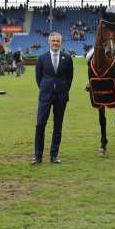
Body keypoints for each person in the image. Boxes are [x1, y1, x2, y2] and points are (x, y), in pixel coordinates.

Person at [32, 32, 74, 165]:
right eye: (53, 41)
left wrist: (62, 89)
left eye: (58, 41)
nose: (55, 43)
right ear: (49, 42)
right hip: (45, 95)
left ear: (61, 42)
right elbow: (39, 78)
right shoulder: (42, 58)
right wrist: (46, 88)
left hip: (61, 96)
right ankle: (38, 156)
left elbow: (70, 78)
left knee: (58, 126)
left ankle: (54, 155)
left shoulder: (67, 58)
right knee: (40, 125)